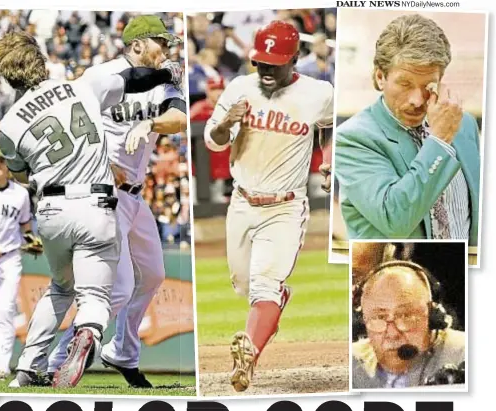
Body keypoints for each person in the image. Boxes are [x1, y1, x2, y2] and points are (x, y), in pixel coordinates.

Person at [0, 30, 182, 389]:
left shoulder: (9, 123)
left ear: (7, 74)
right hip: (95, 203)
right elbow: (133, 78)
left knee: (61, 288)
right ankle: (88, 334)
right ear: (40, 62)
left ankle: (28, 367)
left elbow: (20, 174)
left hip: (51, 209)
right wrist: (167, 75)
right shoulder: (79, 87)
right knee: (96, 296)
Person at [46, 14, 187, 388]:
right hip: (103, 192)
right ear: (138, 44)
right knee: (119, 287)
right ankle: (56, 362)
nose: (167, 50)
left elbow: (178, 118)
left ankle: (122, 351)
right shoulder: (101, 76)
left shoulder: (162, 79)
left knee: (154, 274)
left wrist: (150, 124)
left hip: (136, 197)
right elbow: (67, 122)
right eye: (161, 42)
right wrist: (100, 161)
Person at [203, 20, 334, 392]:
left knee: (265, 285)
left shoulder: (318, 93)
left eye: (274, 63)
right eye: (261, 62)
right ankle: (273, 302)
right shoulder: (239, 87)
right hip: (242, 203)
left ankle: (249, 356)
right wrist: (226, 122)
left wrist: (329, 157)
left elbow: (330, 125)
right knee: (245, 284)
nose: (266, 70)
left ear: (293, 59)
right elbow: (213, 141)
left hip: (285, 207)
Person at [334, 14, 480, 245]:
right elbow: (396, 220)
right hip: (400, 276)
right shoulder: (353, 138)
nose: (417, 100)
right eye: (405, 84)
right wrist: (440, 141)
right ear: (380, 77)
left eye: (428, 86)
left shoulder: (465, 126)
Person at [352, 246, 465, 388]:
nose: (392, 333)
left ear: (433, 316)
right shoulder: (352, 364)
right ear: (362, 321)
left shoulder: (467, 354)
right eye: (379, 317)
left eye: (406, 316)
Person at [0, 145, 33, 380]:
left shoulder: (20, 194)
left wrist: (32, 242)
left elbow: (26, 226)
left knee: (5, 309)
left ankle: (0, 365)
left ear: (8, 165)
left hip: (9, 256)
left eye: (1, 161)